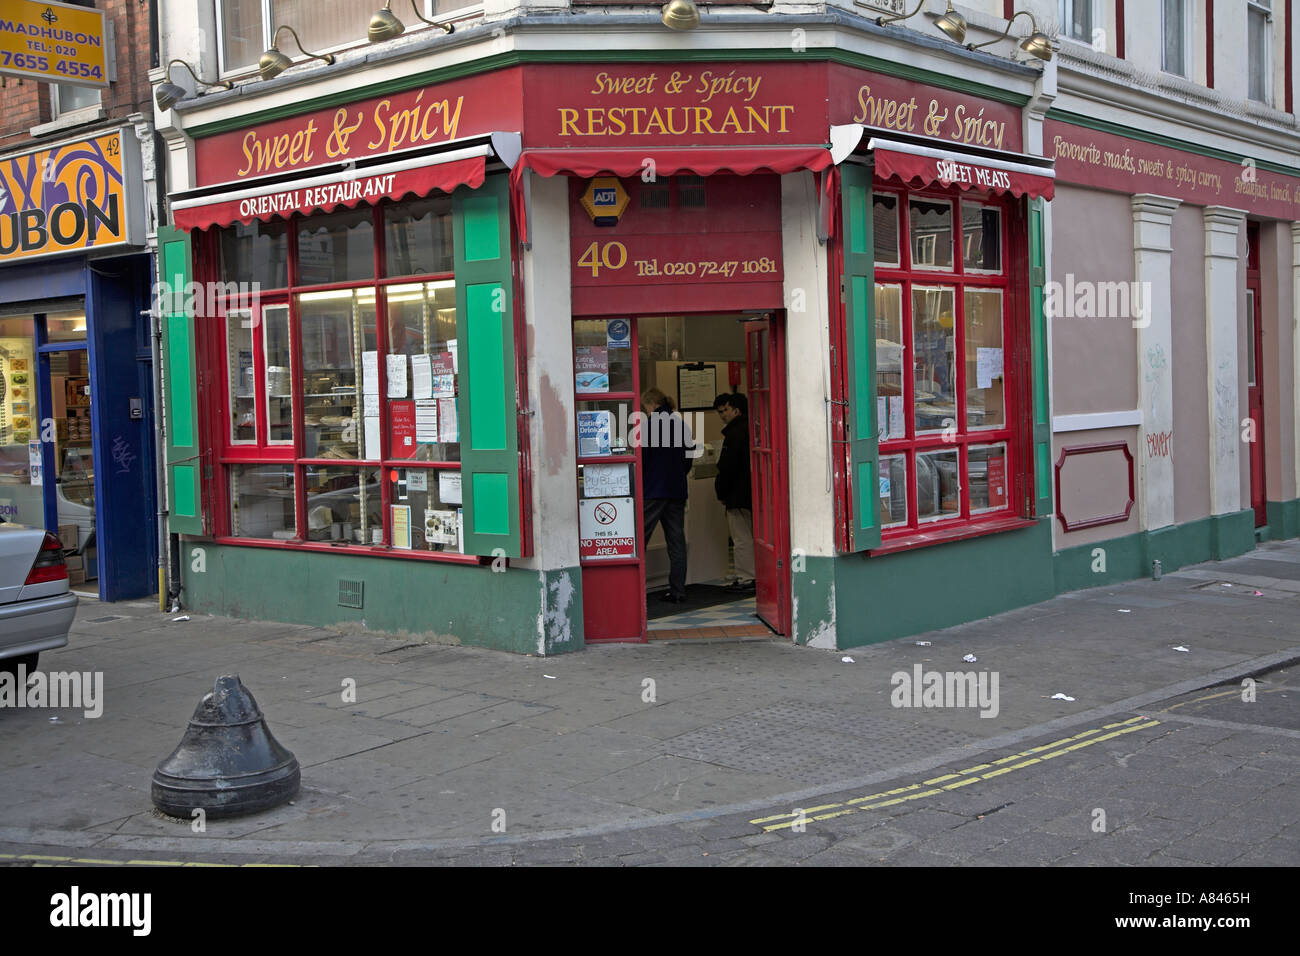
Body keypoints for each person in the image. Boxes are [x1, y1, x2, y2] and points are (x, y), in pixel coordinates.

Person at [640, 388, 693, 603]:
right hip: (676, 490)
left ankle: (635, 591)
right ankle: (678, 590)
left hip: (653, 491)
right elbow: (688, 458)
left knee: (640, 539)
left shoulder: (648, 426)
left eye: (645, 407)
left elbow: (641, 460)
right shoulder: (681, 424)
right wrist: (679, 475)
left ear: (651, 404)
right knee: (676, 541)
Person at [713, 392, 754, 591]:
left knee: (741, 538)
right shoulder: (753, 429)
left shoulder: (734, 434)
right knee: (753, 535)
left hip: (737, 494)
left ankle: (747, 577)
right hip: (754, 492)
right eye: (719, 412)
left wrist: (721, 492)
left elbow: (727, 467)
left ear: (736, 410)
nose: (722, 415)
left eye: (725, 410)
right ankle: (759, 574)